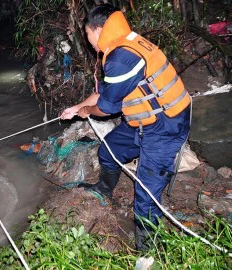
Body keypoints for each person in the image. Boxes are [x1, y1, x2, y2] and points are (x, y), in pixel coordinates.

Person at [60, 4, 191, 251]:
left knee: (145, 193)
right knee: (108, 151)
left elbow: (107, 107)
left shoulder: (121, 57)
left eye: (87, 34)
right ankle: (105, 189)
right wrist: (77, 108)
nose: (88, 41)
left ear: (98, 30)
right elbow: (103, 93)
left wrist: (87, 111)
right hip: (145, 119)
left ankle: (147, 247)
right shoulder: (123, 42)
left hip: (166, 124)